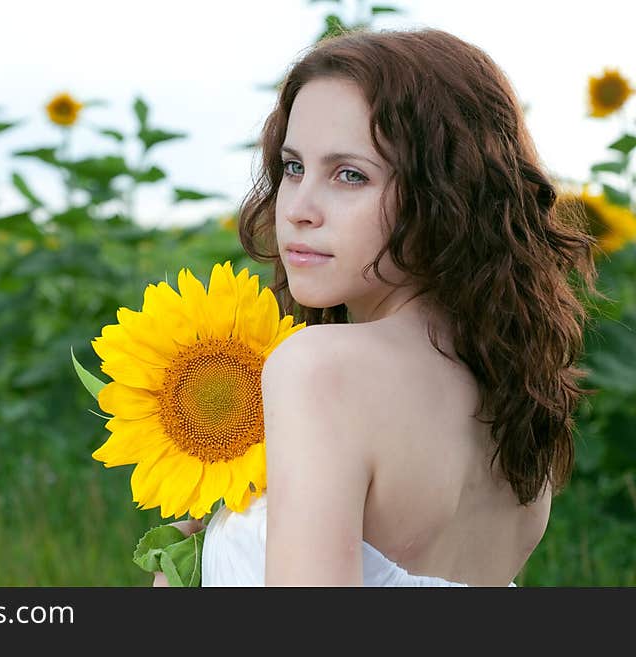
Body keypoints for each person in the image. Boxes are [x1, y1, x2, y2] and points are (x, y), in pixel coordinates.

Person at [154, 27, 601, 586]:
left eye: (349, 175)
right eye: (293, 167)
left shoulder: (318, 368)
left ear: (447, 195)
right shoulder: (515, 411)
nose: (298, 208)